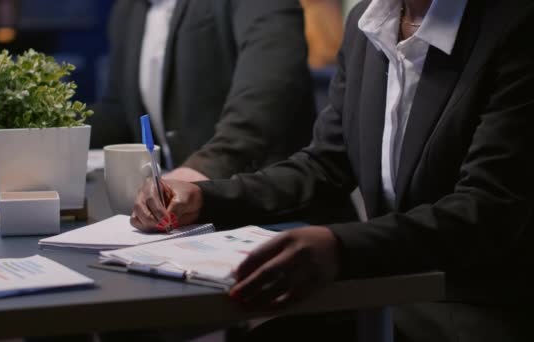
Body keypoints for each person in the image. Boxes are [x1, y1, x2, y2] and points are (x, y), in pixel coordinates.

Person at [131, 0, 534, 340]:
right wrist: (205, 197)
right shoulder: (368, 23)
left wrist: (341, 247)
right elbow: (324, 164)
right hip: (390, 287)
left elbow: (487, 209)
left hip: (480, 302)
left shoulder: (515, 26)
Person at [91, 0, 316, 182]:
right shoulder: (129, 9)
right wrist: (61, 127)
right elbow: (121, 113)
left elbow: (269, 90)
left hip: (277, 208)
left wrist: (209, 165)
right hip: (189, 213)